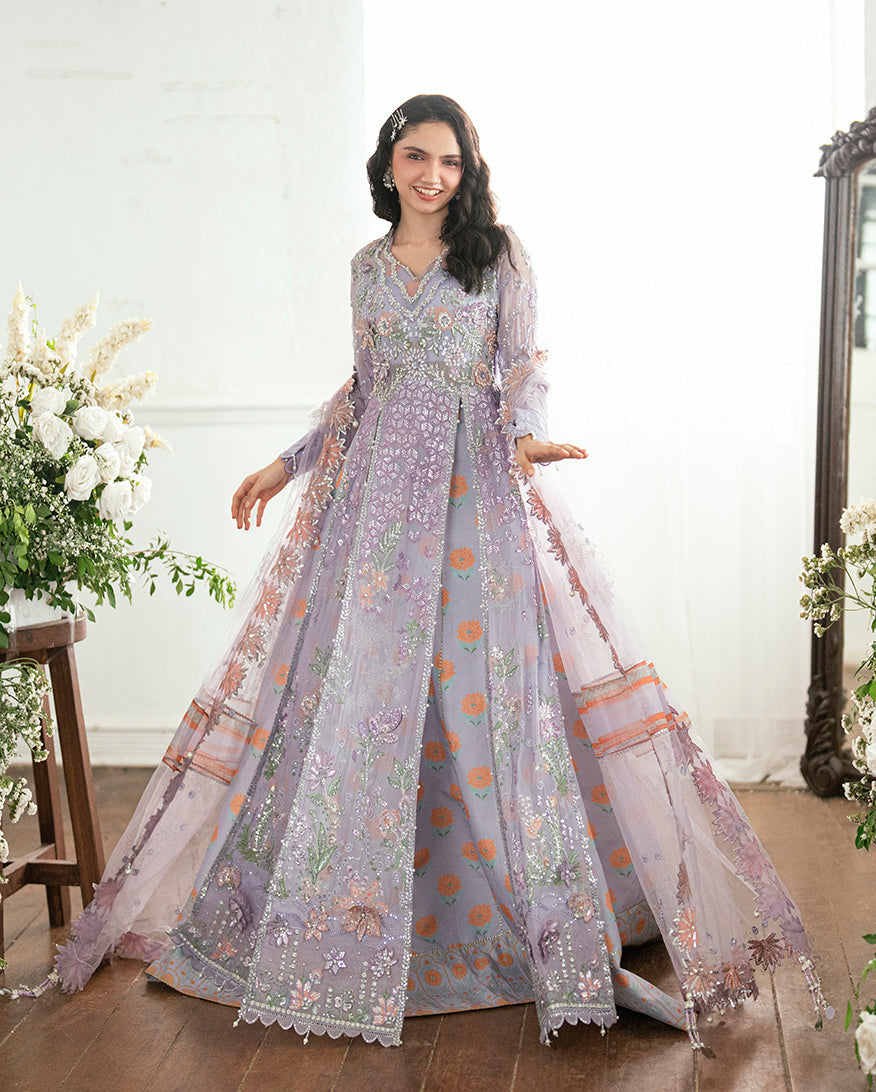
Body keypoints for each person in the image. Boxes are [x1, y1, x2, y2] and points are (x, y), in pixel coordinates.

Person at [51, 94, 827, 1051]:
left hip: (473, 496)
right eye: (417, 158)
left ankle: (521, 905)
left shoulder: (496, 256)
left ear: (468, 171)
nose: (433, 176)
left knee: (481, 689)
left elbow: (522, 367)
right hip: (375, 509)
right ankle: (362, 911)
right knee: (366, 693)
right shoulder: (366, 268)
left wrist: (529, 436)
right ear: (388, 164)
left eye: (450, 162)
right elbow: (362, 389)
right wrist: (286, 465)